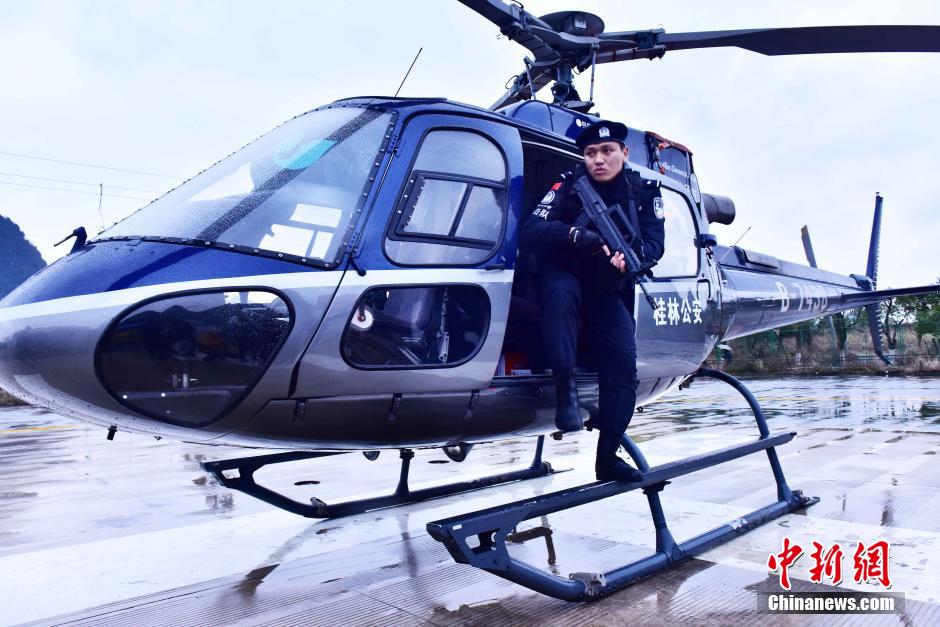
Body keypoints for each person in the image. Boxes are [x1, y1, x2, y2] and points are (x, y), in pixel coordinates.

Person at [520, 120, 665, 482]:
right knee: (561, 294)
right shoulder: (569, 183)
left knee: (623, 366)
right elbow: (531, 229)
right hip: (563, 273)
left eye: (607, 151)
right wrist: (574, 235)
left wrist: (632, 258)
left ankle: (608, 456)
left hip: (605, 285)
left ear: (624, 153)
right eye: (590, 153)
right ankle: (565, 393)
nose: (599, 159)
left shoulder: (643, 191)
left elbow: (655, 244)